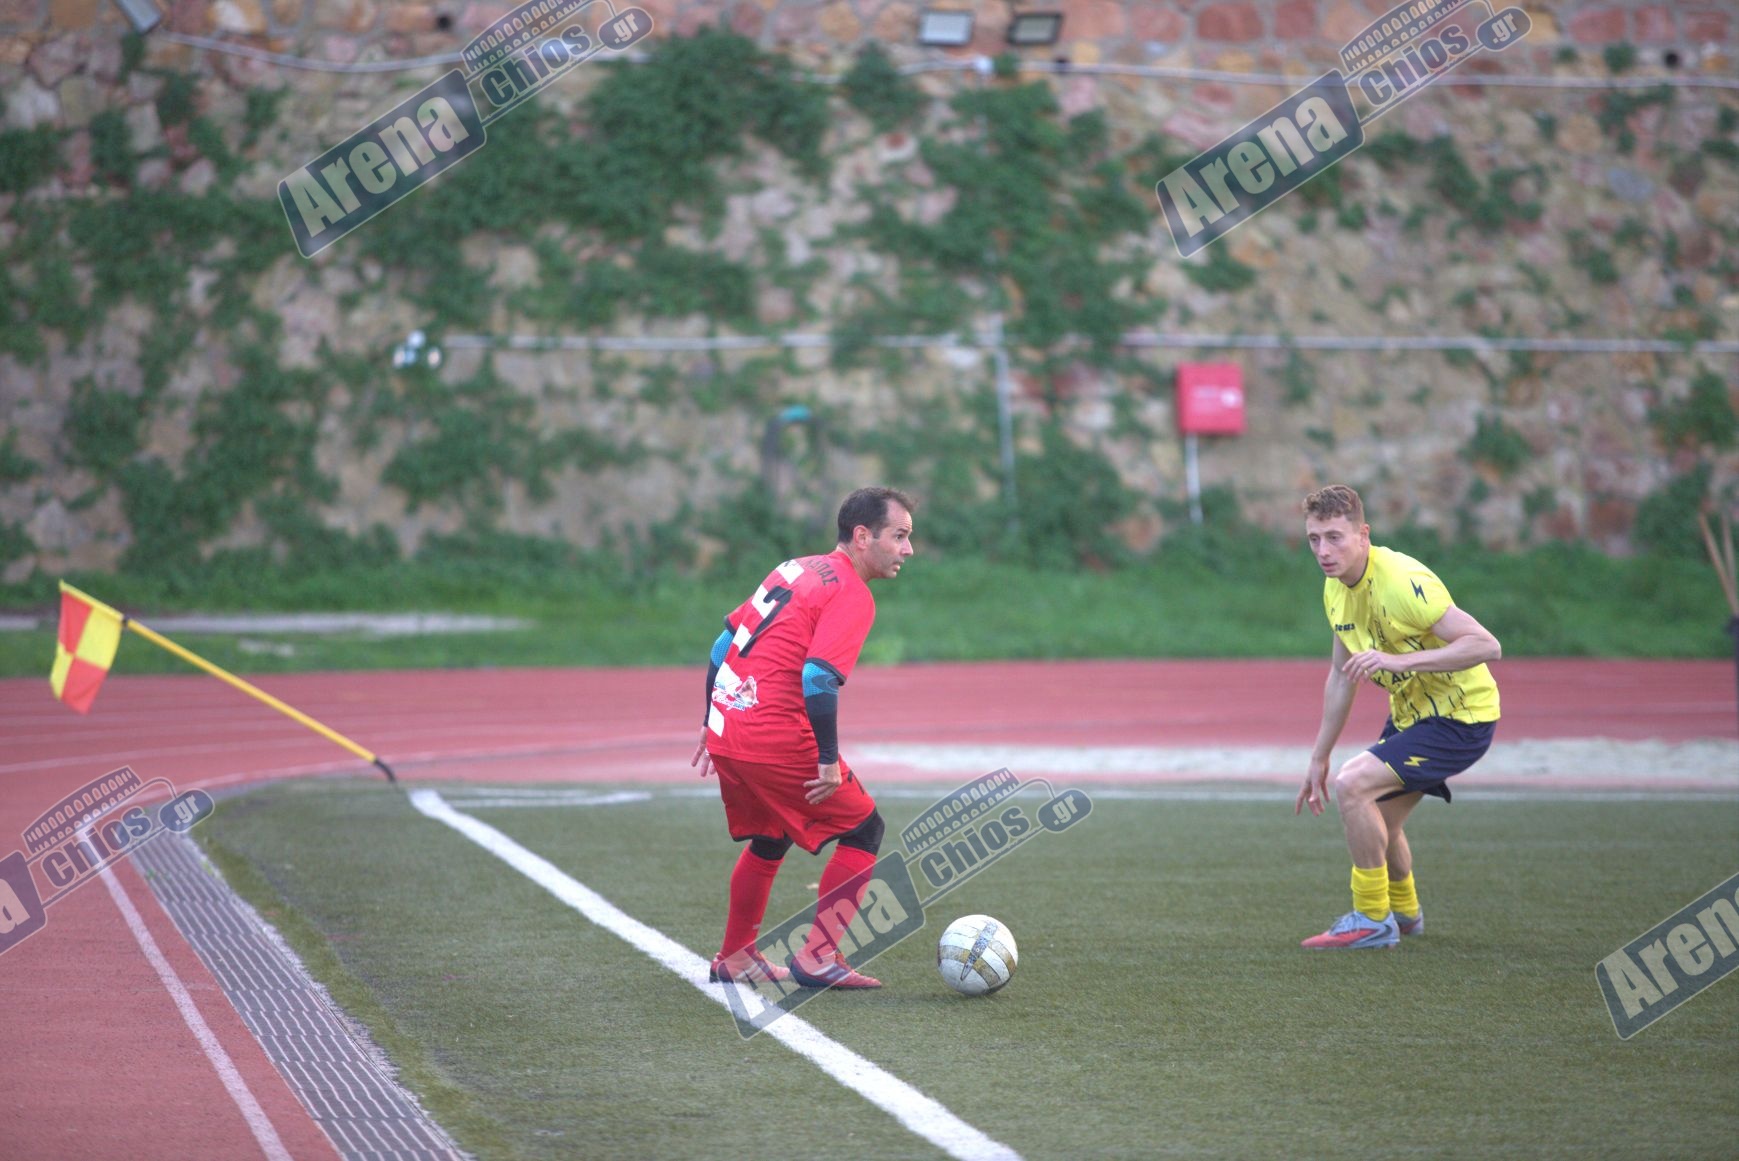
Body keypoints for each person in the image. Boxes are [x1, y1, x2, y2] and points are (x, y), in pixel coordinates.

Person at [692, 486, 915, 987]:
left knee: (770, 838)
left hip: (730, 726)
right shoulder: (851, 592)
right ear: (863, 536)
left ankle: (736, 958)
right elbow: (817, 678)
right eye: (899, 536)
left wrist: (709, 720)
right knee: (864, 830)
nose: (908, 549)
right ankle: (818, 957)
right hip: (773, 735)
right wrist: (828, 759)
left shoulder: (793, 568)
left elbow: (723, 644)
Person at [1294, 484, 1502, 949]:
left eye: (1334, 537)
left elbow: (1487, 645)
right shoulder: (1335, 588)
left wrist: (1397, 661)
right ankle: (1405, 913)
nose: (1323, 551)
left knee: (1353, 785)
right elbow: (1341, 675)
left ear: (1363, 534)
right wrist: (1319, 756)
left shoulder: (1403, 582)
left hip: (1461, 718)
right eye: (1314, 539)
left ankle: (1372, 918)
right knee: (1379, 820)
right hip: (1413, 716)